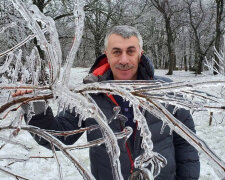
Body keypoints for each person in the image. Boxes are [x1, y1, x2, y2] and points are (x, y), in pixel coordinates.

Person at [14, 25, 200, 180]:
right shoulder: (88, 94)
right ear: (107, 55)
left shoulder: (165, 91)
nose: (124, 60)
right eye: (117, 52)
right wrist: (36, 111)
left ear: (140, 53)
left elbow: (187, 143)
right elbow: (60, 136)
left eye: (131, 51)